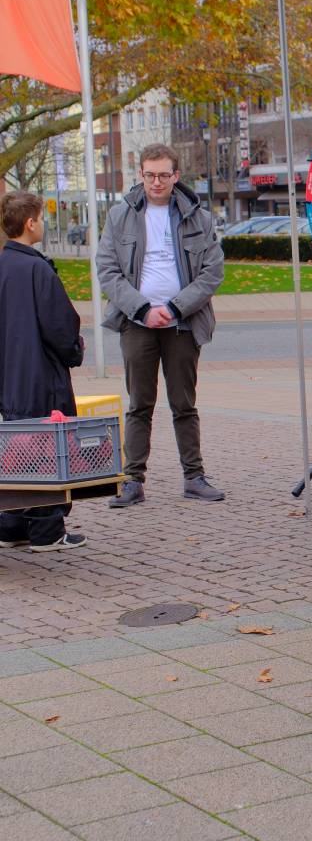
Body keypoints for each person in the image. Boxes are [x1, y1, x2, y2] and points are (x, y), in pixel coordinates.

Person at [96, 143, 225, 505]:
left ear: (175, 176)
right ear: (140, 174)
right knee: (139, 403)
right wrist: (142, 309)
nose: (156, 182)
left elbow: (212, 272)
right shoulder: (119, 216)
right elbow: (107, 270)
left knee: (184, 403)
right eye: (150, 175)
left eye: (163, 175)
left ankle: (194, 477)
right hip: (137, 323)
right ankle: (132, 480)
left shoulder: (198, 217)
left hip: (182, 323)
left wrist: (175, 307)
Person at [0, 191, 86, 551]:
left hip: (9, 380)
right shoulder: (38, 269)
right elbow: (60, 327)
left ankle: (11, 525)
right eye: (41, 219)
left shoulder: (3, 265)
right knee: (46, 450)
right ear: (30, 222)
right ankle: (47, 529)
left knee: (15, 451)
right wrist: (75, 350)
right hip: (40, 377)